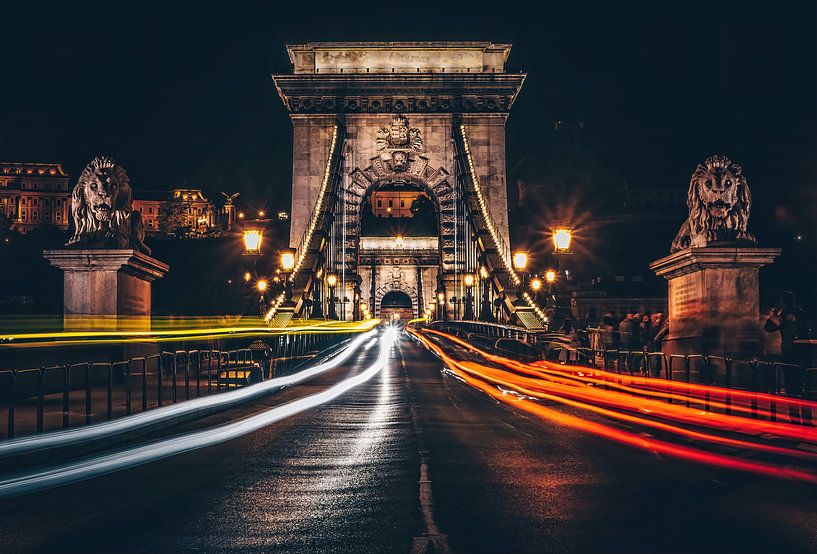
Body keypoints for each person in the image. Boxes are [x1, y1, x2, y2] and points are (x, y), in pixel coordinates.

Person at [764, 291, 812, 424]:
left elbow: (768, 328)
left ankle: (795, 419)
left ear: (783, 302)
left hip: (790, 353)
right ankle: (807, 419)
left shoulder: (784, 314)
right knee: (805, 387)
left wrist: (774, 314)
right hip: (804, 353)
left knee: (792, 387)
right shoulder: (801, 312)